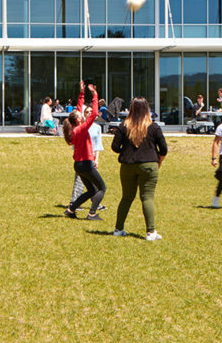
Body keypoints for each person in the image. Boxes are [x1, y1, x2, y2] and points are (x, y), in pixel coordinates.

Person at [110, 97, 169, 240]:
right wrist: (158, 162)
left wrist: (126, 150)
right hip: (149, 165)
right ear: (147, 109)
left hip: (127, 166)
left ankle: (118, 229)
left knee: (126, 197)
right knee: (147, 197)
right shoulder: (154, 127)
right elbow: (164, 149)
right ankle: (151, 232)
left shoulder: (123, 126)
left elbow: (115, 147)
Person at [64, 85, 107, 220]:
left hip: (78, 164)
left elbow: (77, 108)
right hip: (86, 163)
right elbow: (94, 114)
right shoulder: (81, 129)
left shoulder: (74, 128)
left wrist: (82, 93)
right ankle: (92, 214)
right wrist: (95, 95)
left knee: (92, 190)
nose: (81, 113)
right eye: (79, 115)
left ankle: (71, 210)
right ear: (77, 120)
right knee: (102, 188)